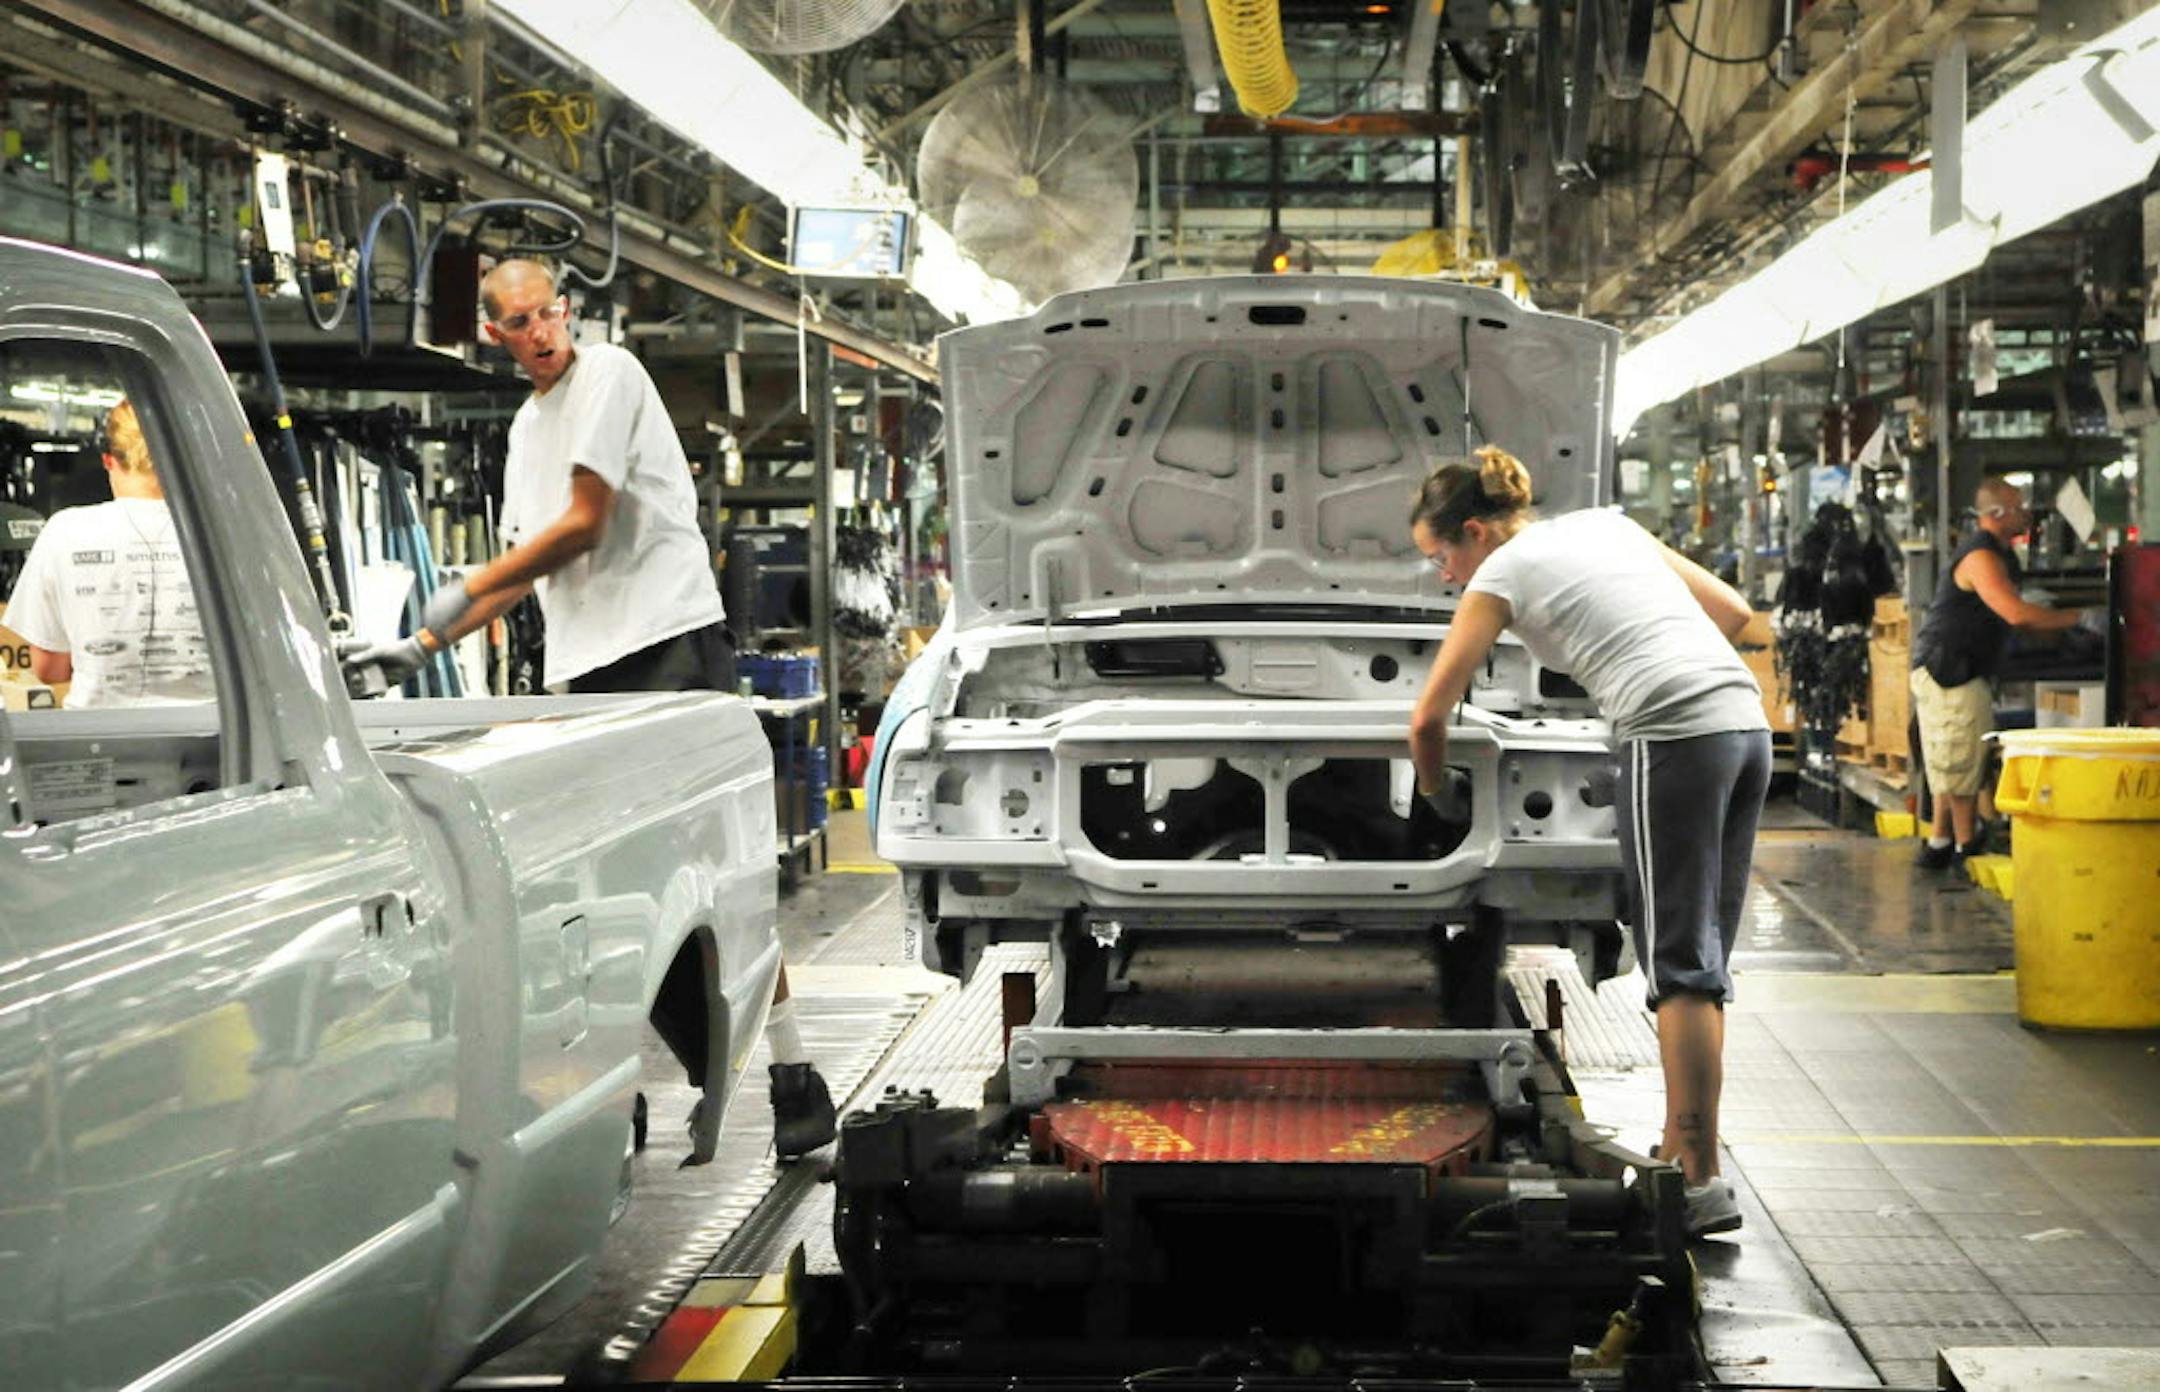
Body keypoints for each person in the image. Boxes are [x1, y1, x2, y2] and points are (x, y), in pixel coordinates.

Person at [343, 258, 836, 1160]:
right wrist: (418, 647)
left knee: (711, 884)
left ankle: (794, 1077)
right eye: (517, 323)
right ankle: (637, 1090)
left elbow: (584, 524)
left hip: (670, 646)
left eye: (547, 314)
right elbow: (526, 565)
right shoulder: (528, 429)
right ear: (491, 334)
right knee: (625, 897)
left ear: (565, 311)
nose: (539, 333)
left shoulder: (610, 374)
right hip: (587, 671)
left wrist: (456, 594)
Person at [1407, 445, 1768, 1240]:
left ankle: (1702, 1181)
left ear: (1474, 531)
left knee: (1680, 967)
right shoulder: (1610, 527)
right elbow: (1735, 613)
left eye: (1440, 557)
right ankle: (1681, 1154)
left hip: (1669, 732)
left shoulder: (1501, 573)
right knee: (1702, 963)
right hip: (1743, 725)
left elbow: (1428, 717)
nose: (1444, 577)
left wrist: (1438, 797)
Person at [1909, 478, 2084, 869]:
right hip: (1950, 670)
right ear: (1997, 514)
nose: (2027, 513)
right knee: (1958, 757)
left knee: (1952, 752)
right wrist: (2079, 619)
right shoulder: (1980, 557)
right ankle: (1967, 846)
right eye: (2019, 506)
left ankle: (1940, 842)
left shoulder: (2001, 554)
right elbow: (2016, 613)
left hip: (1957, 667)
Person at [6, 399, 213, 708]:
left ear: (108, 460)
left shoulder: (65, 530)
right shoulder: (219, 533)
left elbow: (49, 668)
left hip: (100, 739)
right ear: (181, 458)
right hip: (215, 741)